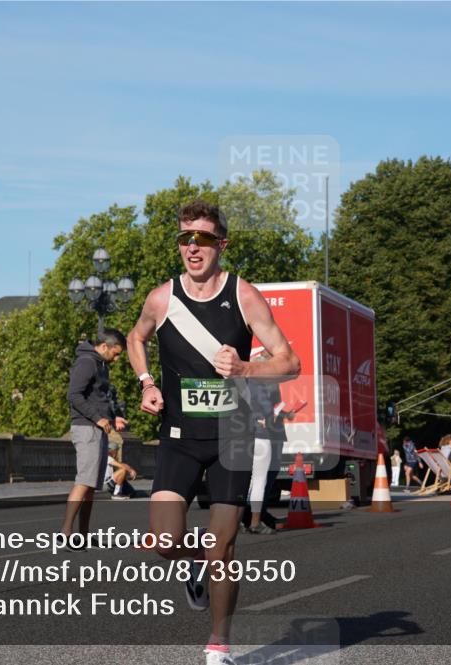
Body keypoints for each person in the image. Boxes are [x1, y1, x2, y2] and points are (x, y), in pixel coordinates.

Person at [126, 200, 300, 665]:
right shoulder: (162, 298)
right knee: (165, 543)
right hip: (180, 438)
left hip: (233, 438)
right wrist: (146, 383)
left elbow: (290, 361)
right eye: (185, 239)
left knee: (222, 545)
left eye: (202, 239)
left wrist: (246, 366)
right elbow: (135, 337)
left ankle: (219, 646)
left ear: (220, 244)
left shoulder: (244, 296)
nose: (193, 248)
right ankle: (196, 569)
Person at [59, 328, 128, 543]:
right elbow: (74, 395)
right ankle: (65, 534)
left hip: (98, 428)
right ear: (104, 346)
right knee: (84, 482)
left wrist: (114, 416)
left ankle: (83, 535)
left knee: (91, 485)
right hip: (87, 427)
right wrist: (97, 418)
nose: (117, 359)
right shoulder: (87, 362)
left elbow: (102, 397)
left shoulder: (100, 364)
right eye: (115, 353)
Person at [243, 349, 302, 535]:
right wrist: (279, 414)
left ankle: (249, 517)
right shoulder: (260, 382)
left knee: (249, 478)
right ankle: (254, 519)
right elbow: (268, 408)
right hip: (264, 433)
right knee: (261, 478)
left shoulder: (243, 381)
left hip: (248, 433)